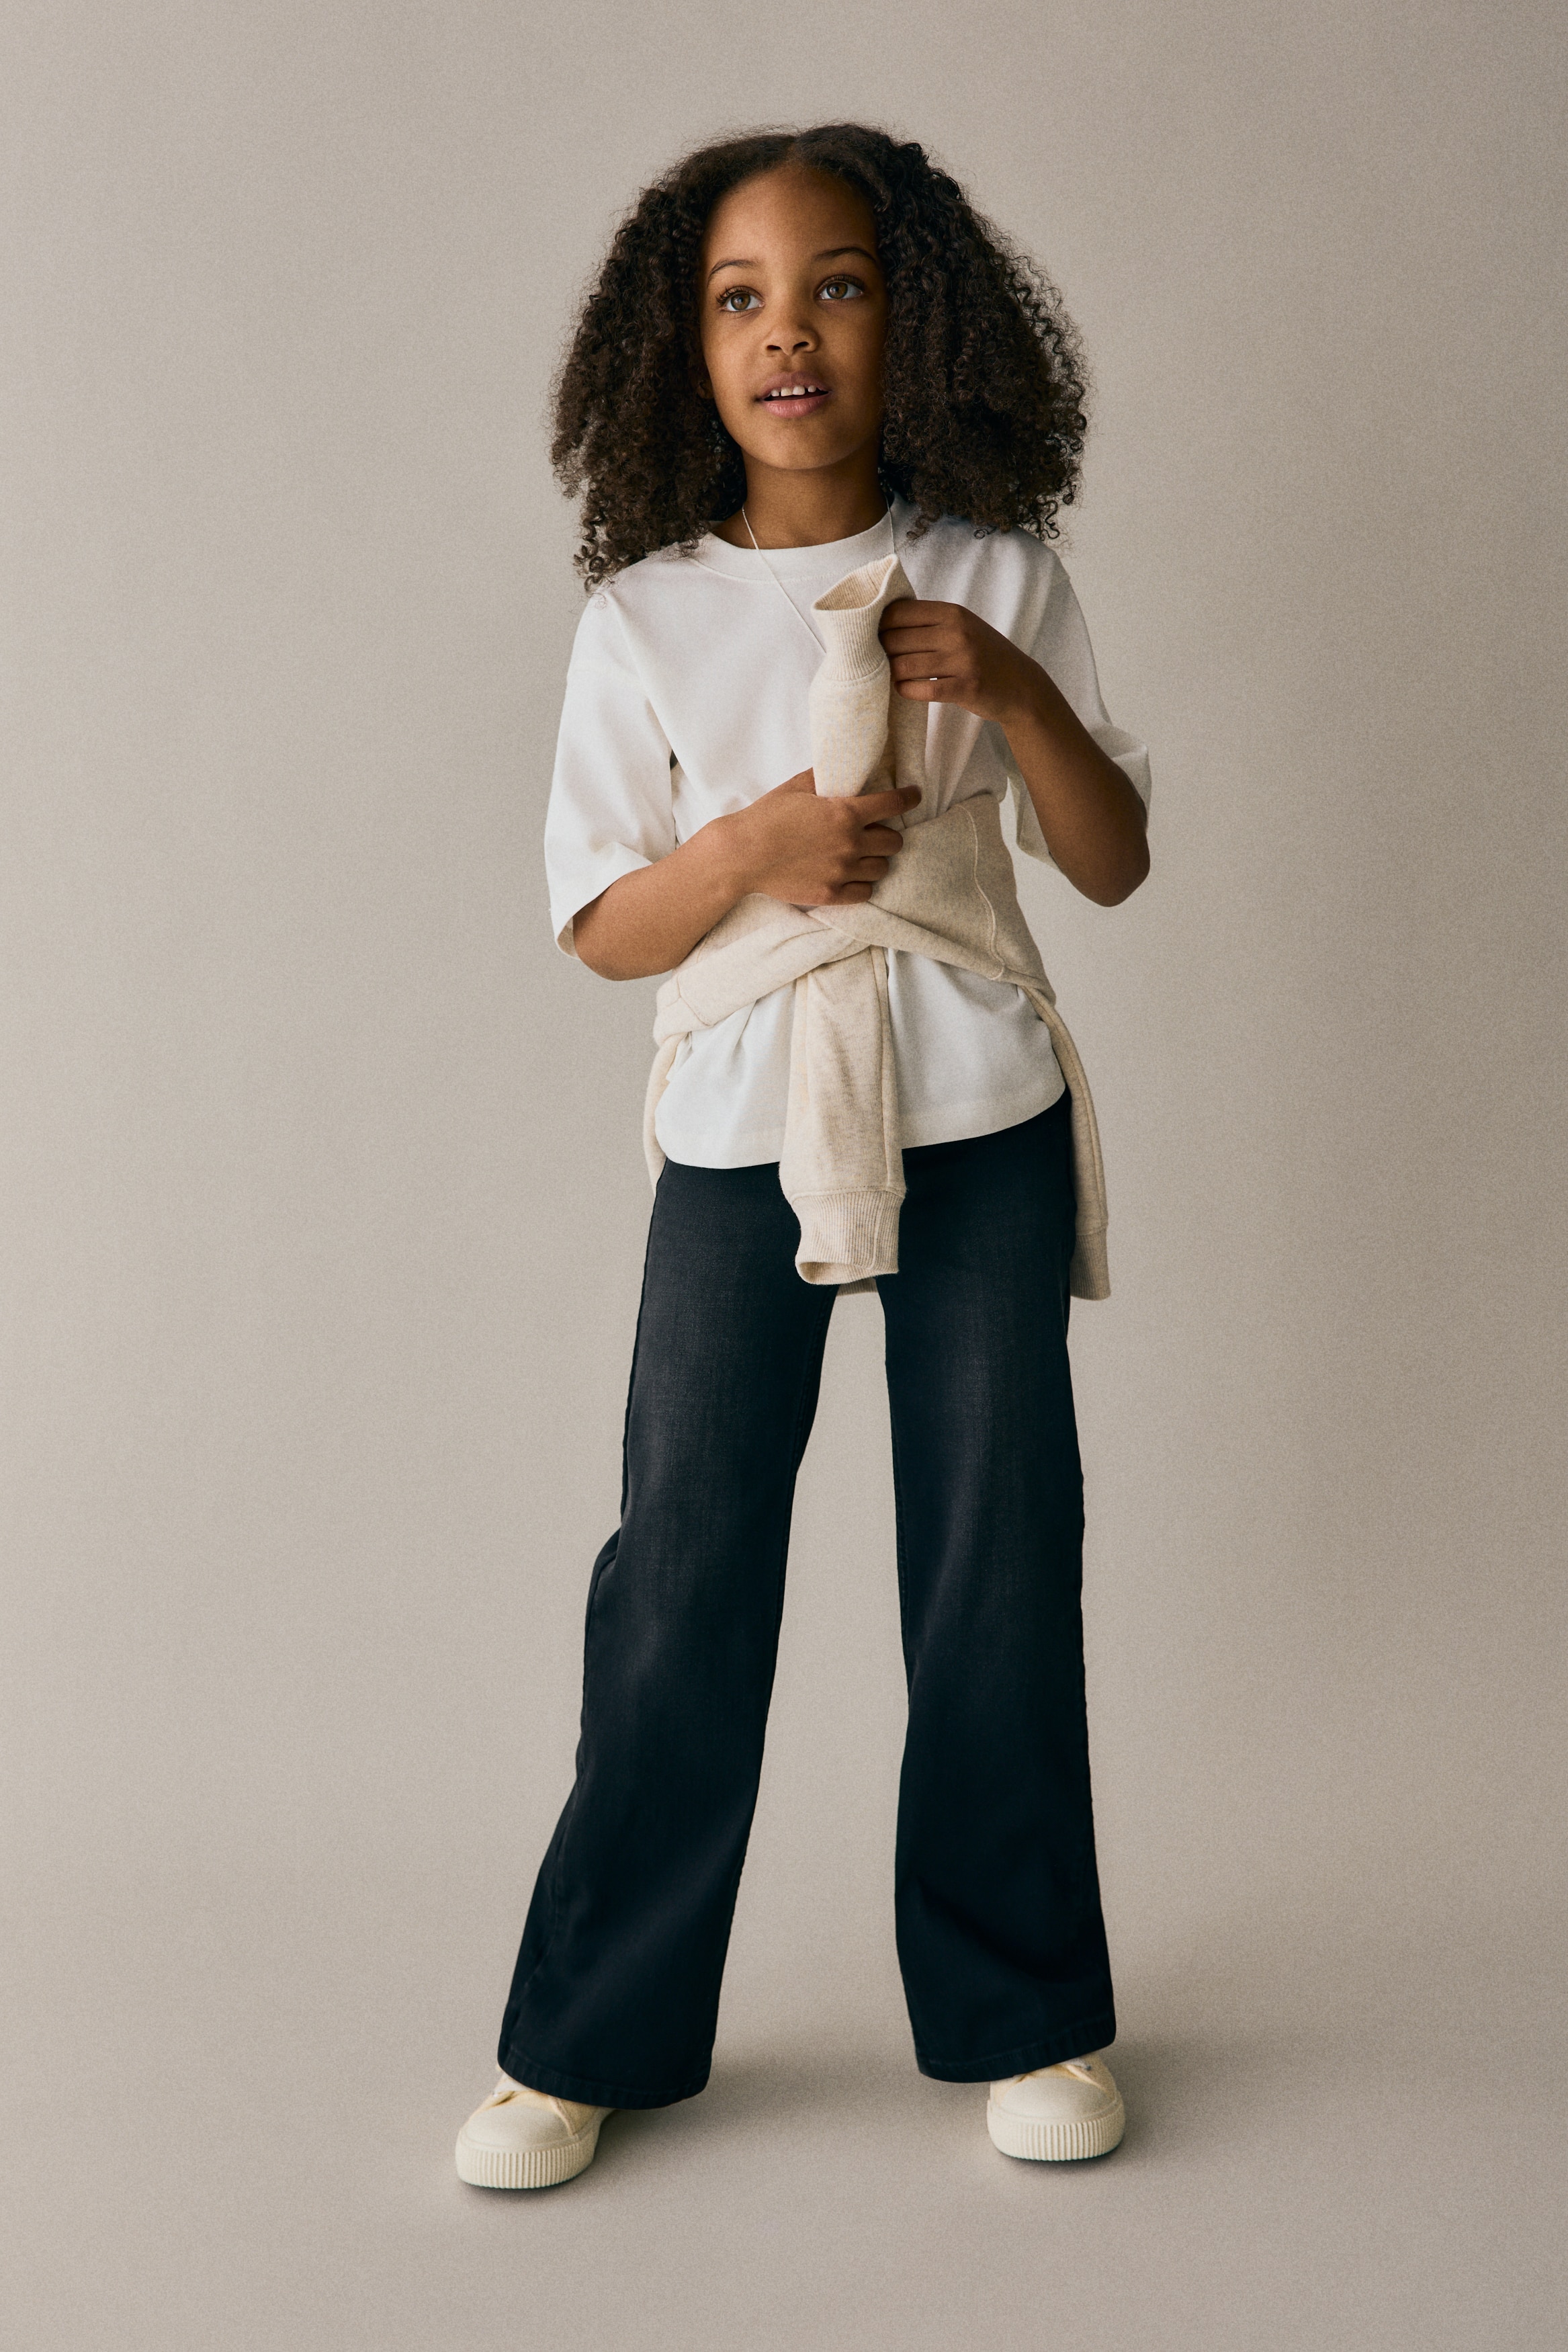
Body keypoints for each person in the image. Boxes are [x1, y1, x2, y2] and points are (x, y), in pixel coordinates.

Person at [456, 123, 1151, 2190]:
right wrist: (754, 847)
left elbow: (1112, 857)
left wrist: (1009, 689)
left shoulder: (1002, 573)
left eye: (837, 286)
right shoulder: (646, 615)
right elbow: (604, 924)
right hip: (741, 1133)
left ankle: (1029, 2010)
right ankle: (583, 2034)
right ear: (682, 350)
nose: (790, 335)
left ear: (912, 318)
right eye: (740, 298)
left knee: (998, 1557)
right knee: (681, 1566)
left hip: (977, 1115)